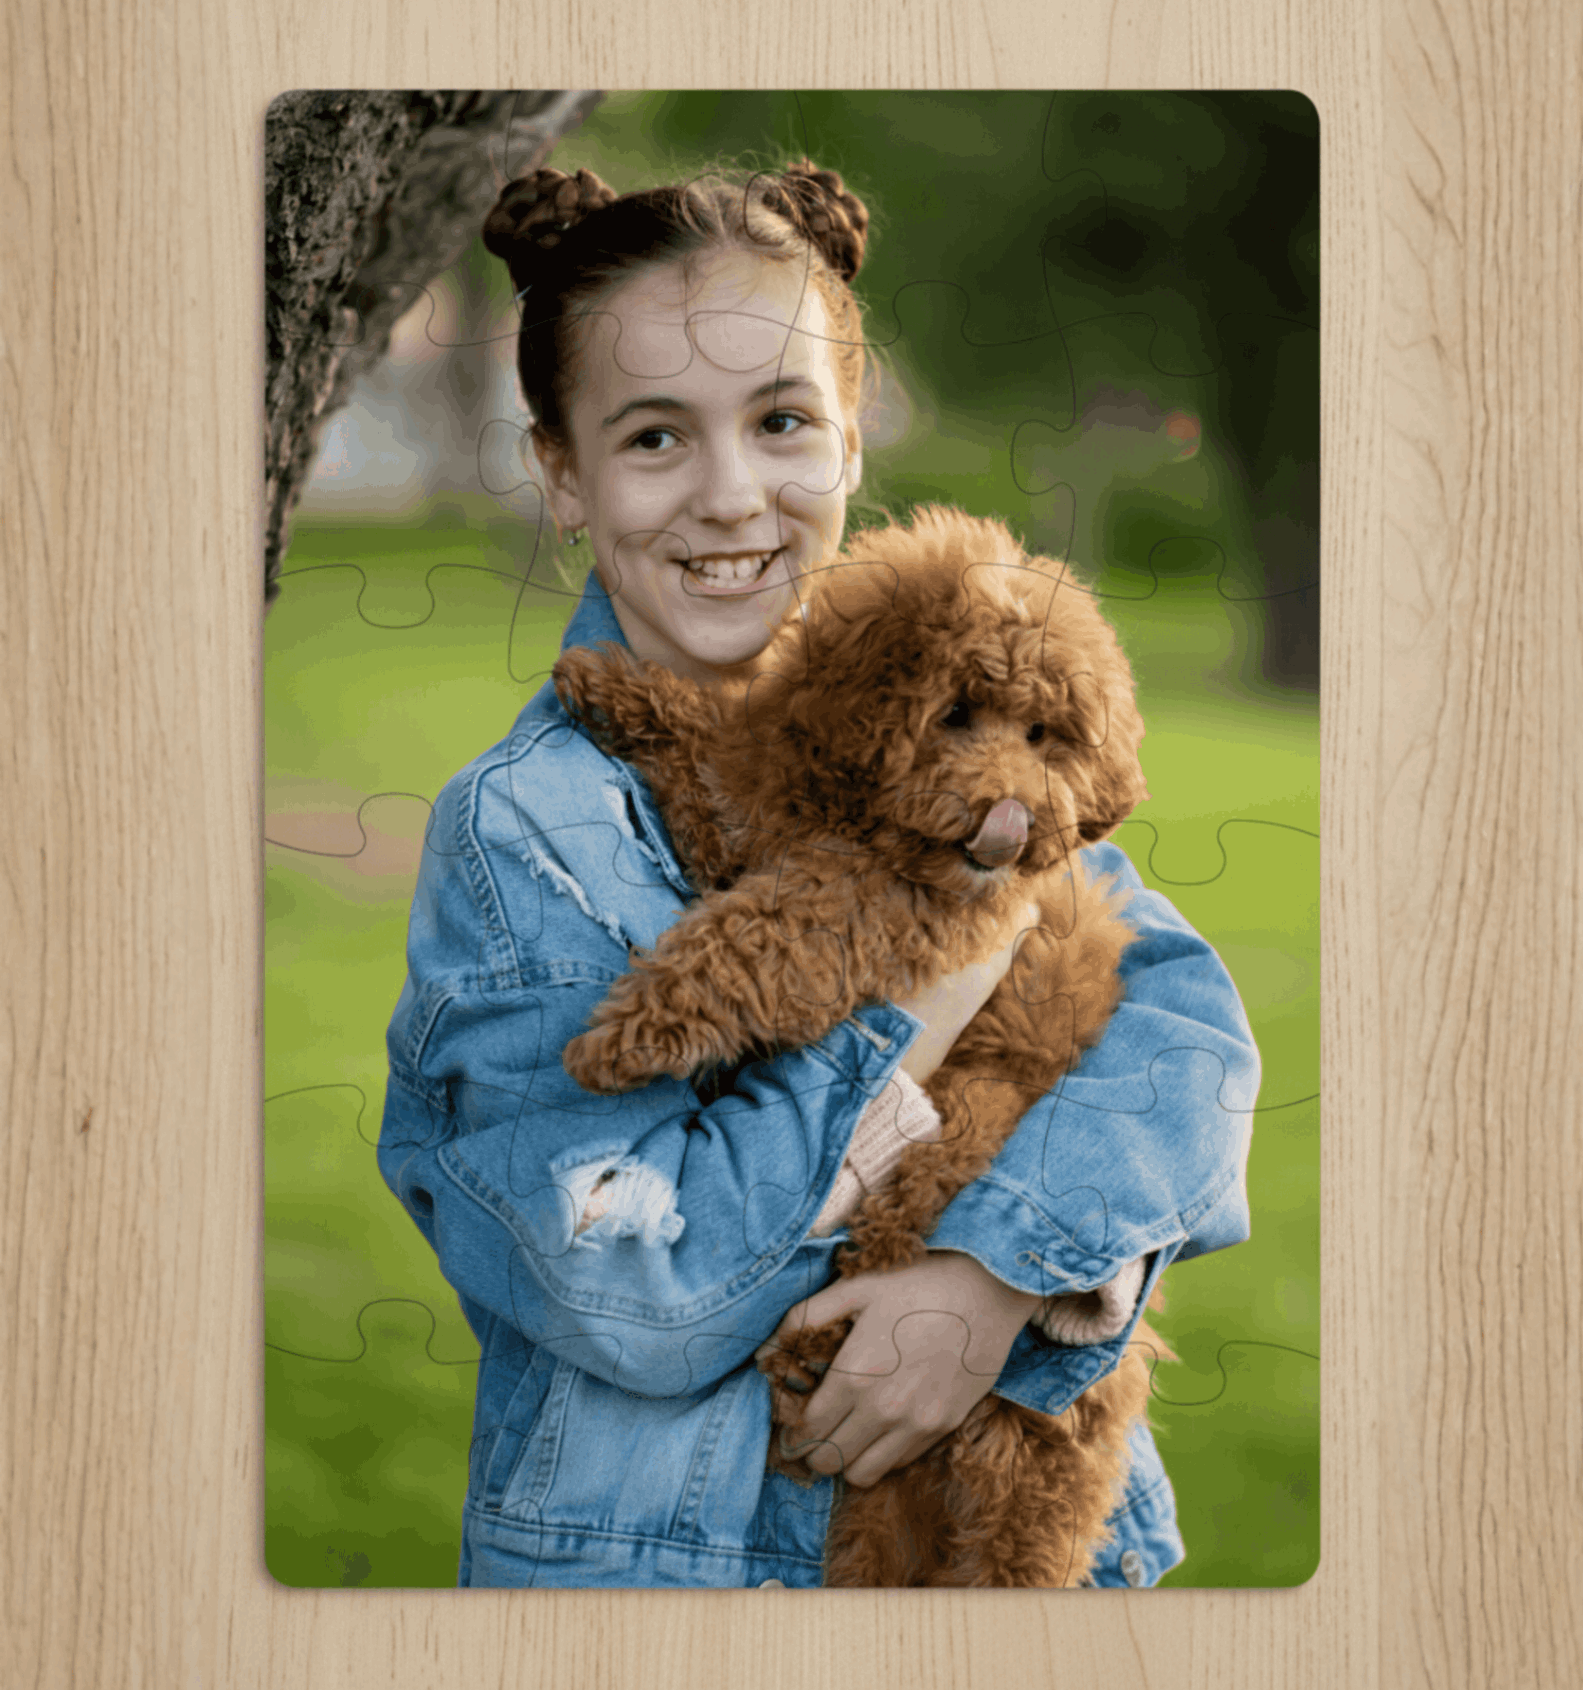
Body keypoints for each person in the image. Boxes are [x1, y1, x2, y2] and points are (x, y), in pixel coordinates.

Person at [377, 158, 1259, 1590]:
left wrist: (992, 1279)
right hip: (675, 1584)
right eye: (655, 437)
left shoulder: (953, 715)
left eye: (781, 421)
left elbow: (1187, 1037)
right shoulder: (524, 831)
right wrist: (924, 979)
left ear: (850, 440)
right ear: (560, 473)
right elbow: (632, 1288)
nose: (733, 498)